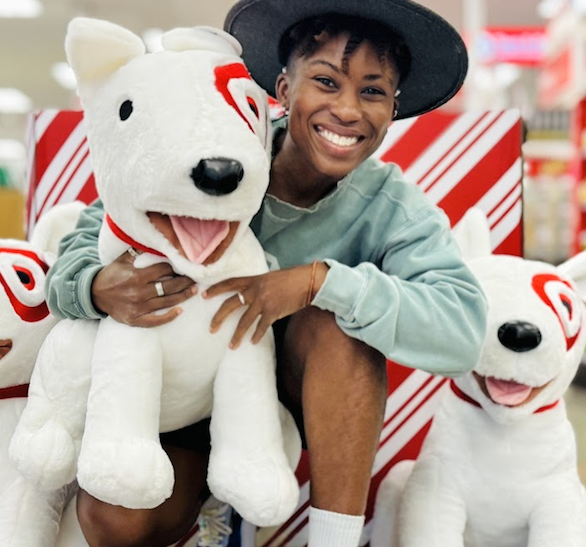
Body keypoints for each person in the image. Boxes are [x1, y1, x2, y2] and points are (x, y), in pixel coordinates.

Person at [45, 1, 488, 547]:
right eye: (326, 82)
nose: (348, 109)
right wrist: (93, 286)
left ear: (392, 108)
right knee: (114, 520)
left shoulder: (391, 206)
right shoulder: (216, 145)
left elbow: (463, 330)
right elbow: (82, 245)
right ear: (281, 88)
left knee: (336, 325)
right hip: (173, 401)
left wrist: (318, 281)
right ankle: (215, 510)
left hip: (280, 410)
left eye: (373, 92)